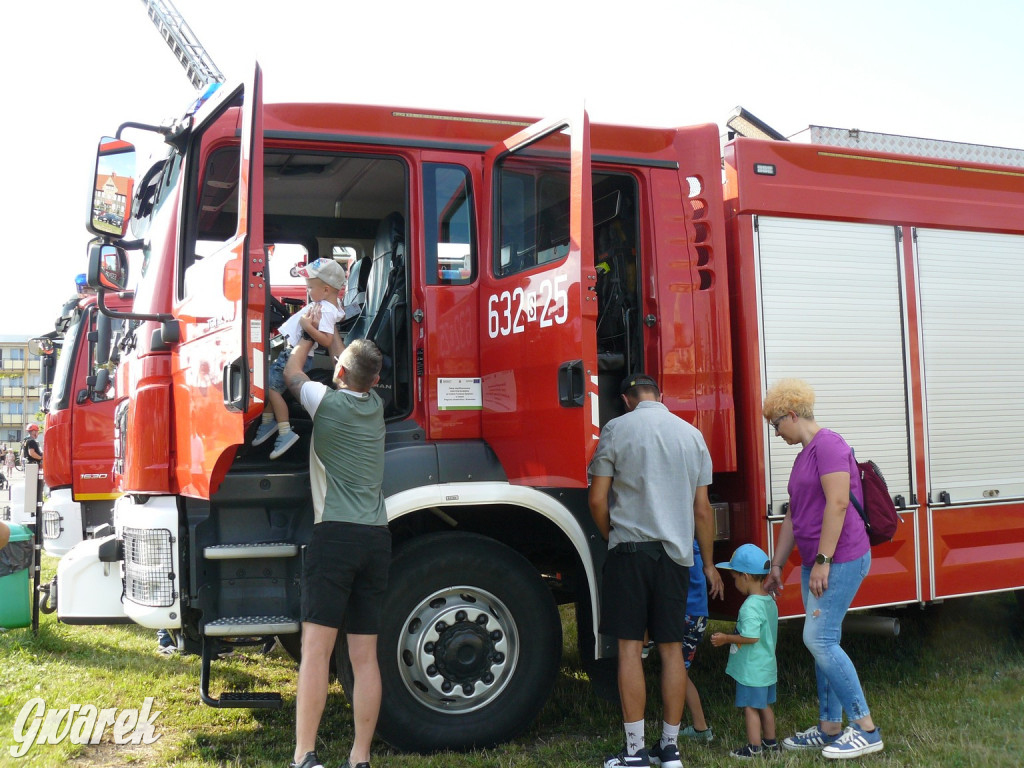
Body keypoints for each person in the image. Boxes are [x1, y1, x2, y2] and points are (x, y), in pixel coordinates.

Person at [589, 373, 722, 768]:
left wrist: (611, 535)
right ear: (659, 396)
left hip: (630, 552)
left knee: (631, 649)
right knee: (671, 652)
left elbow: (598, 499)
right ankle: (670, 749)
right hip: (676, 557)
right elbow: (702, 510)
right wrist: (709, 562)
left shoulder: (616, 429)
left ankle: (635, 752)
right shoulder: (691, 435)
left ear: (627, 400)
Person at [762, 378, 883, 759]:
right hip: (819, 560)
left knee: (819, 639)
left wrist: (823, 562)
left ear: (792, 415)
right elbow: (795, 517)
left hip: (841, 557)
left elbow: (838, 504)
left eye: (776, 424)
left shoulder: (829, 445)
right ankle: (831, 727)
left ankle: (865, 728)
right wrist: (778, 564)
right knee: (823, 640)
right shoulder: (804, 454)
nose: (775, 432)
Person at [284, 334, 389, 768]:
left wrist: (308, 339)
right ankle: (359, 757)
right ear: (376, 381)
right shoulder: (377, 407)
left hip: (335, 538)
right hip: (376, 538)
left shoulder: (323, 403)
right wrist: (337, 343)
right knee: (364, 656)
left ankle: (305, 755)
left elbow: (292, 375)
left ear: (339, 372)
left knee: (317, 650)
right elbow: (356, 367)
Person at [253, 258, 345, 459]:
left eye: (310, 287)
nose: (308, 291)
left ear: (326, 289)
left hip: (294, 353)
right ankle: (268, 421)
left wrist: (306, 326)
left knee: (270, 388)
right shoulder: (326, 304)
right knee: (269, 385)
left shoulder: (327, 310)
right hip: (289, 349)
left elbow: (327, 341)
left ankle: (284, 431)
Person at [710, 543, 779, 759]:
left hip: (752, 670)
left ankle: (754, 748)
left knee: (750, 707)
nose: (734, 583)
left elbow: (751, 637)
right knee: (764, 705)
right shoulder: (769, 600)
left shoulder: (750, 606)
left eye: (735, 578)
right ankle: (771, 744)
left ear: (746, 576)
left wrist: (725, 638)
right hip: (766, 666)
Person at [677, 541, 717, 745]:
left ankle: (700, 727)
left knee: (676, 673)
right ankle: (699, 726)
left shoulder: (678, 549)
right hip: (699, 616)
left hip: (683, 616)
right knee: (680, 672)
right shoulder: (697, 548)